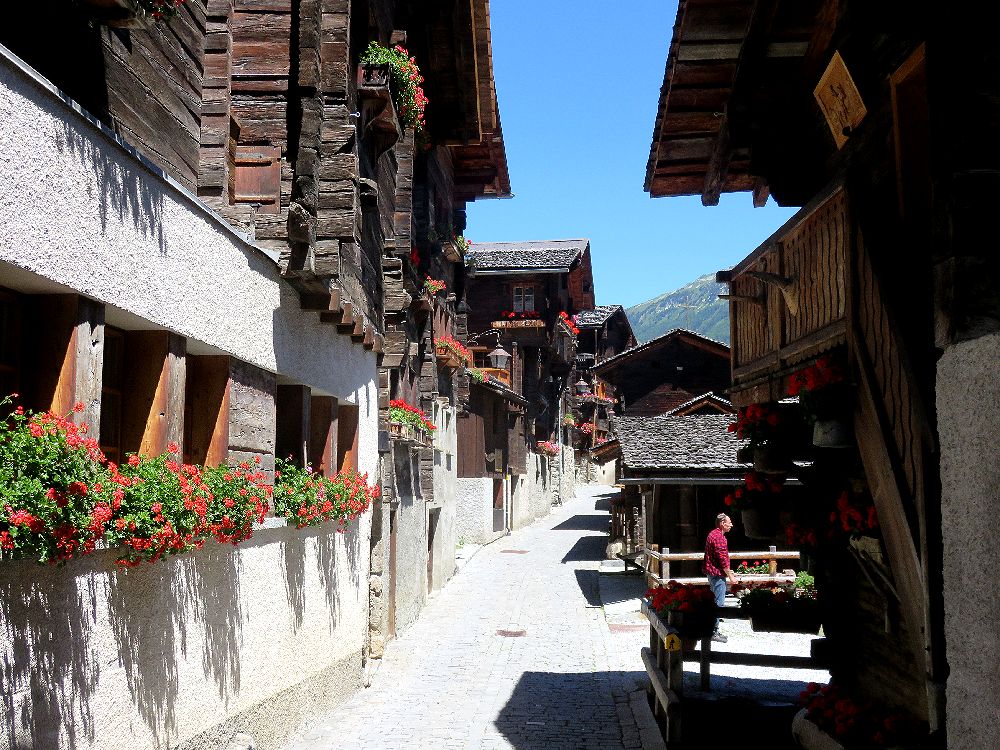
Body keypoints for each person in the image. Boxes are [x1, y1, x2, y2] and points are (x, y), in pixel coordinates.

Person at [704, 513, 738, 643]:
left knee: (714, 601)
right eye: (729, 522)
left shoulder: (713, 534)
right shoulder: (719, 538)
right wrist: (731, 576)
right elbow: (722, 559)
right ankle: (713, 631)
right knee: (719, 603)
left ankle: (711, 629)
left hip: (713, 573)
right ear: (723, 523)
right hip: (717, 575)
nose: (731, 525)